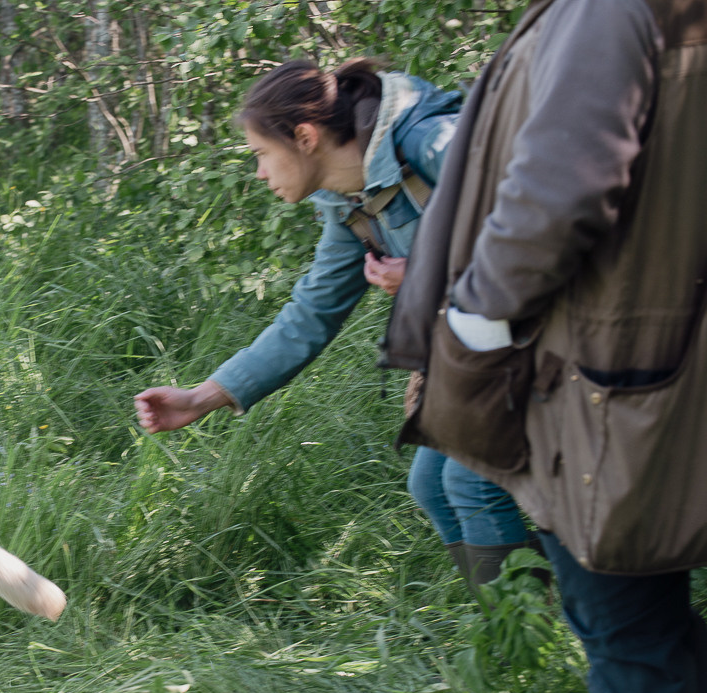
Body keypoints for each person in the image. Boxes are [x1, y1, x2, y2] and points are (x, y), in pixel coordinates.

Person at [379, 0, 707, 693]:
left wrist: (473, 322)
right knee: (641, 631)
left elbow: (561, 184)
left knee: (628, 635)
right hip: (634, 369)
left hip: (602, 386)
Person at [133, 58, 535, 586]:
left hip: (557, 331)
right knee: (432, 485)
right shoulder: (351, 202)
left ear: (304, 136)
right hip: (487, 347)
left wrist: (424, 277)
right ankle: (533, 626)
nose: (258, 172)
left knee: (470, 480)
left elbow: (538, 226)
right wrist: (201, 397)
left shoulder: (432, 142)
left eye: (261, 154)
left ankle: (533, 646)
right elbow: (310, 315)